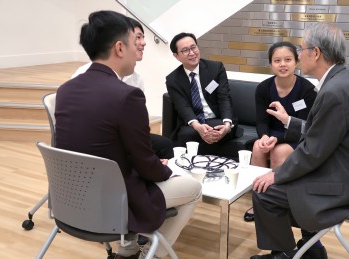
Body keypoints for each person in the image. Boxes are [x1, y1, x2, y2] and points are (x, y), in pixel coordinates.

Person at [54, 11, 201, 259]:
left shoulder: (65, 90)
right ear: (120, 48)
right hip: (114, 199)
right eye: (136, 43)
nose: (139, 50)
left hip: (72, 198)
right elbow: (145, 162)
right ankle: (152, 255)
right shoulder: (126, 95)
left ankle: (129, 250)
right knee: (193, 188)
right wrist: (166, 170)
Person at [250, 22, 349, 259]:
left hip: (344, 184)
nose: (298, 55)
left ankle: (285, 254)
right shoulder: (345, 81)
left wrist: (276, 174)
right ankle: (312, 246)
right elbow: (322, 133)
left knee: (264, 191)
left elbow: (312, 152)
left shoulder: (332, 91)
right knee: (280, 184)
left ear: (315, 53)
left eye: (300, 49)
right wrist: (290, 121)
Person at [71, 17, 174, 160]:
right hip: (101, 141)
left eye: (143, 37)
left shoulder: (137, 79)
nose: (143, 43)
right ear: (120, 45)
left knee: (164, 144)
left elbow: (137, 122)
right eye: (137, 38)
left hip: (124, 136)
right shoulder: (82, 76)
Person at [243, 42, 317, 223]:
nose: (282, 64)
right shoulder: (263, 88)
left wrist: (275, 139)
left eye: (287, 60)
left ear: (296, 62)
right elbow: (261, 120)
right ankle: (259, 200)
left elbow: (306, 126)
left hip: (298, 135)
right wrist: (265, 137)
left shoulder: (307, 90)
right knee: (258, 147)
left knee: (278, 151)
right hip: (272, 134)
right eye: (277, 60)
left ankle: (277, 202)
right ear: (270, 65)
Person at [165, 32, 237, 155]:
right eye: (185, 50)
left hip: (217, 119)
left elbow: (224, 98)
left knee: (216, 130)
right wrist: (198, 126)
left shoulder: (216, 68)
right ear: (176, 56)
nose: (192, 53)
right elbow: (183, 107)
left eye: (193, 47)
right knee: (189, 134)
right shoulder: (173, 80)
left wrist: (227, 125)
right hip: (193, 122)